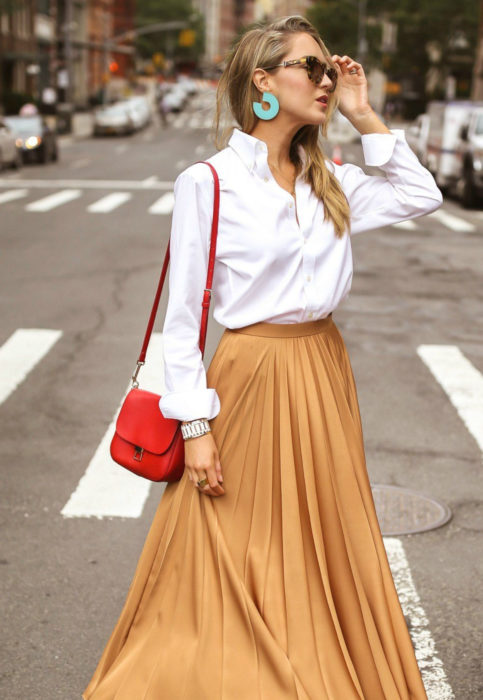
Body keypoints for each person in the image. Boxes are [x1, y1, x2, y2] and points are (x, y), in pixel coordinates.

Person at [82, 15, 442, 700]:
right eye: (311, 67)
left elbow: (419, 196)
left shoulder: (327, 178)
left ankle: (311, 659)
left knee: (318, 537)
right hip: (248, 377)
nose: (326, 80)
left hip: (322, 370)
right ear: (263, 81)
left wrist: (366, 116)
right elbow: (180, 320)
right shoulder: (210, 183)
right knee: (234, 538)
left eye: (328, 70)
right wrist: (194, 428)